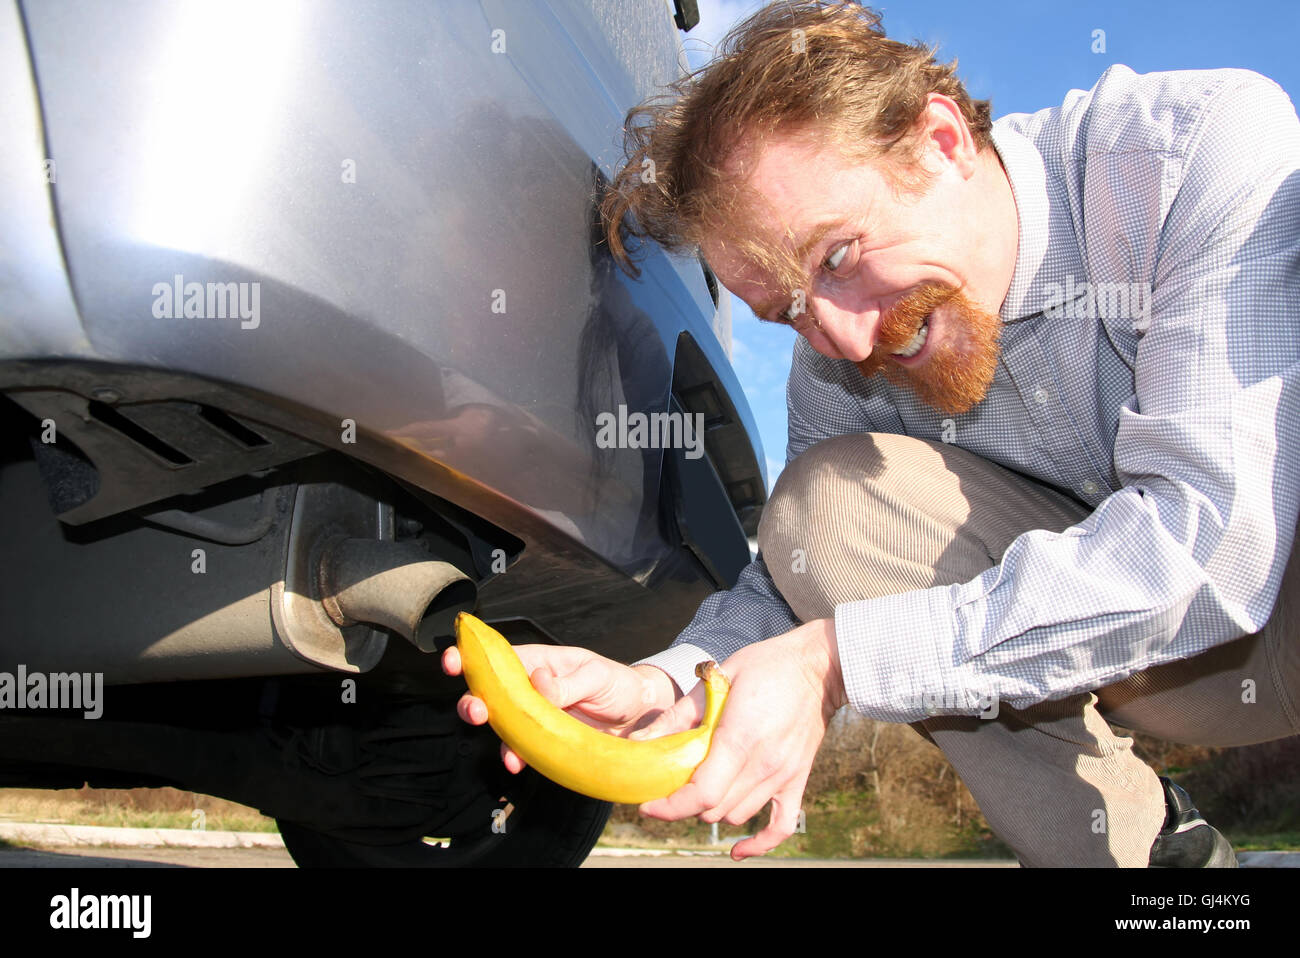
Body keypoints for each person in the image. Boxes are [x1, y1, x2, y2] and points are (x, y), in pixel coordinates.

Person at [443, 0, 1300, 866]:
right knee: (825, 511)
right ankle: (1156, 865)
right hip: (1176, 678)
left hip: (1273, 609)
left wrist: (841, 663)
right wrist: (672, 680)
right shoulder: (841, 360)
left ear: (940, 141)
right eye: (789, 312)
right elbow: (795, 581)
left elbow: (1217, 553)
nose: (848, 341)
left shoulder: (1188, 154)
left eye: (839, 257)